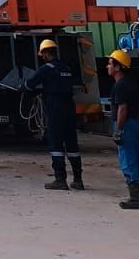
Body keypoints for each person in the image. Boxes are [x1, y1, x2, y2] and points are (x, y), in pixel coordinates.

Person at [26, 38, 84, 191]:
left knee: (56, 144)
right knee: (72, 144)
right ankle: (78, 180)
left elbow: (30, 84)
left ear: (45, 53)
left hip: (55, 109)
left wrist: (23, 87)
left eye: (42, 54)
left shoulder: (46, 69)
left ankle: (60, 179)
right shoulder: (66, 68)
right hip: (69, 108)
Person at [108, 49, 139, 209]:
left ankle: (136, 198)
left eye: (110, 64)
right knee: (136, 160)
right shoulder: (130, 83)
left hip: (125, 124)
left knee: (128, 161)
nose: (107, 66)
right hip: (133, 124)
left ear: (118, 67)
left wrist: (118, 129)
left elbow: (122, 108)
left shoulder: (120, 86)